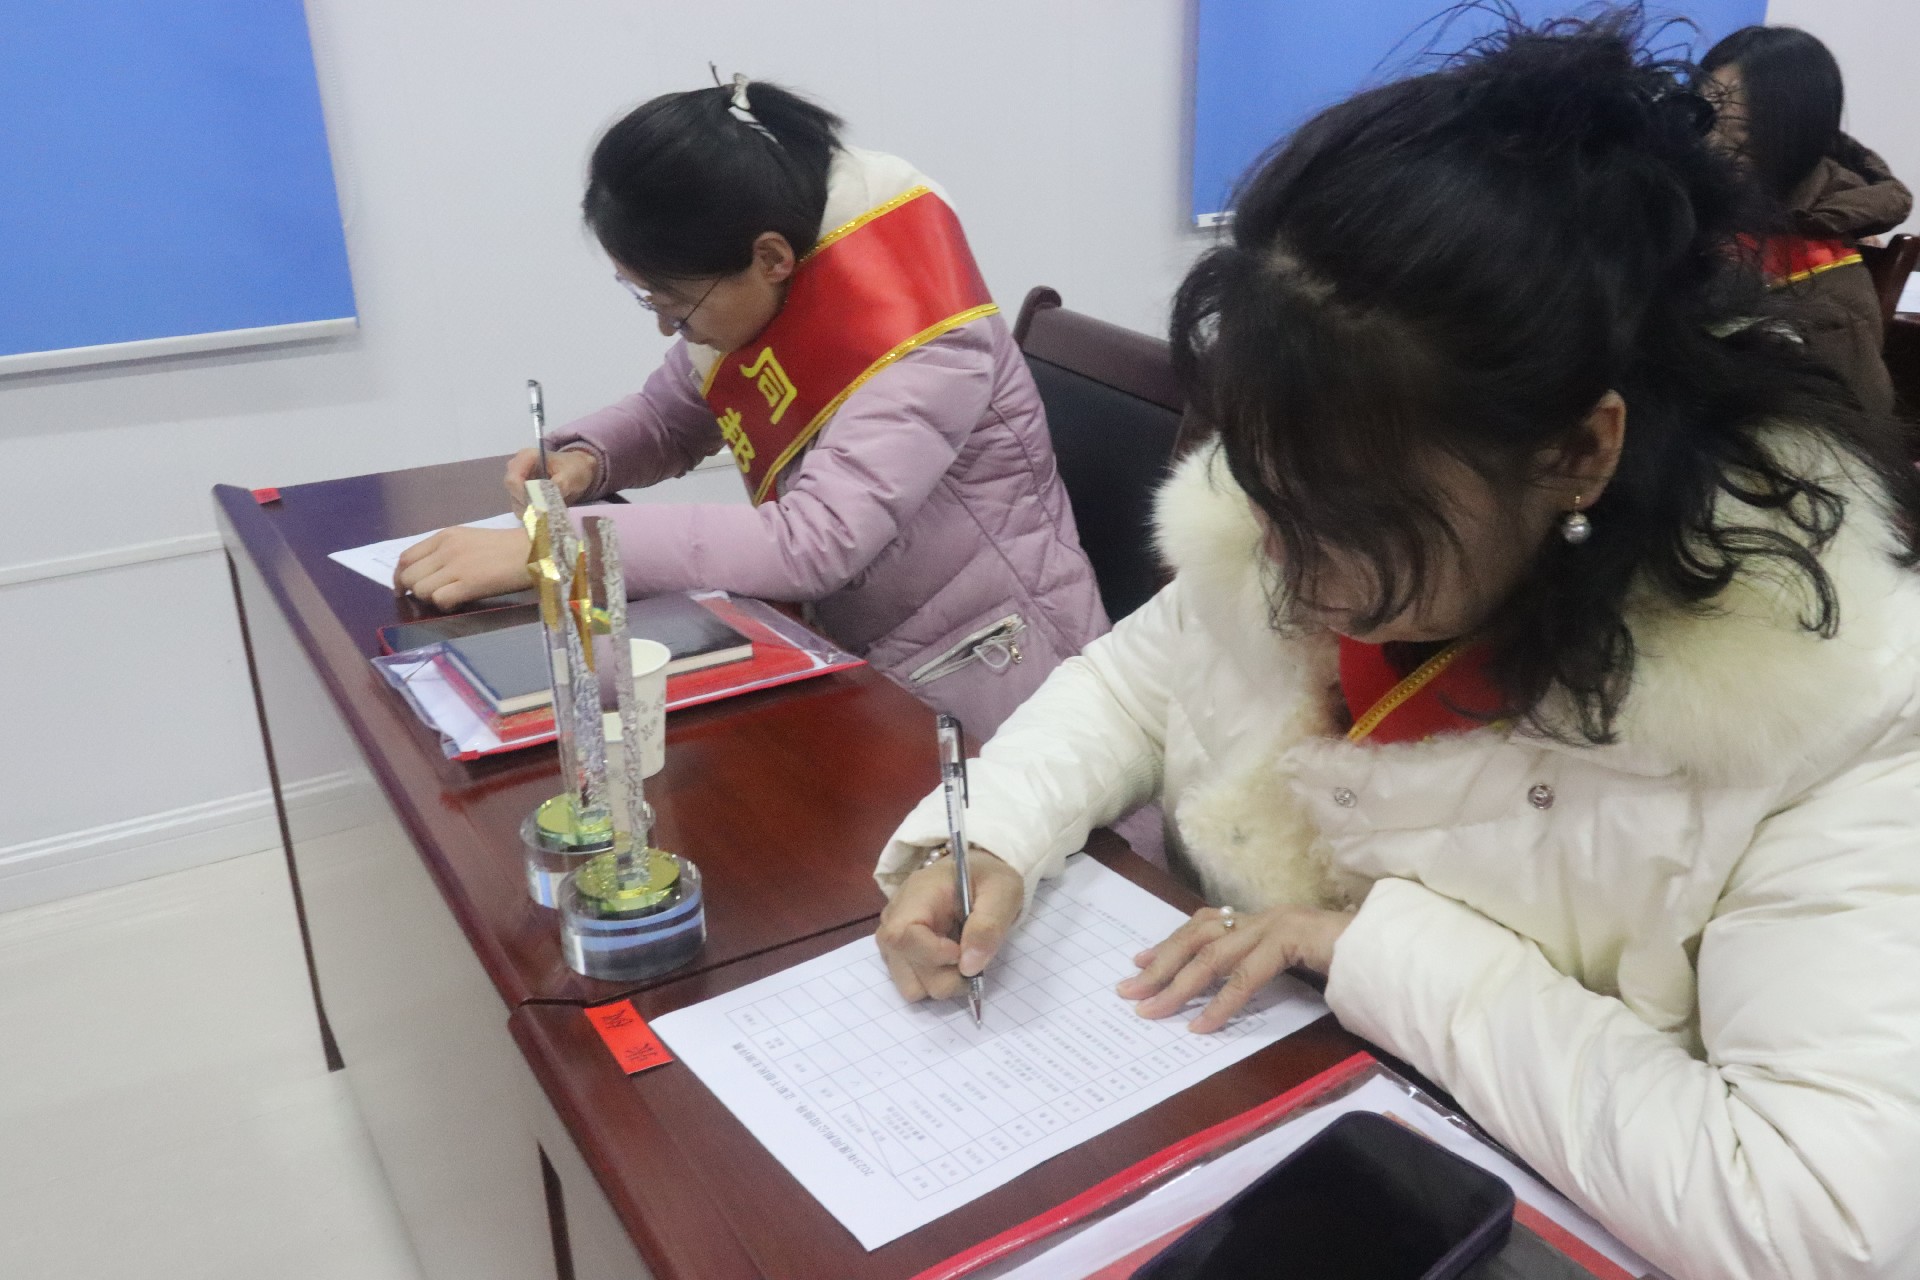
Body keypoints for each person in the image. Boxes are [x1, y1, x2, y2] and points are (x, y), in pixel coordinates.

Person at [873, 14, 1920, 1278]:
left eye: (1352, 521)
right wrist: (990, 835)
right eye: (1265, 486)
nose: (1282, 566)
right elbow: (1138, 682)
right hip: (1263, 1131)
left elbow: (1819, 1219)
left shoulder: (1832, 707)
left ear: (1579, 449)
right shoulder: (1291, 519)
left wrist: (1364, 943)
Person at [394, 78, 1107, 735]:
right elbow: (671, 416)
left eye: (674, 302)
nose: (667, 327)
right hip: (866, 659)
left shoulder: (926, 336)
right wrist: (586, 459)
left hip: (996, 692)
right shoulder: (776, 275)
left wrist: (560, 548)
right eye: (645, 298)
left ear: (770, 258)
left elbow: (812, 543)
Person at [1702, 25, 1912, 415]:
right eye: (1706, 120)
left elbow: (1861, 414)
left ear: (1800, 135)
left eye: (1743, 131)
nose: (1713, 147)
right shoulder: (1680, 207)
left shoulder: (1821, 262)